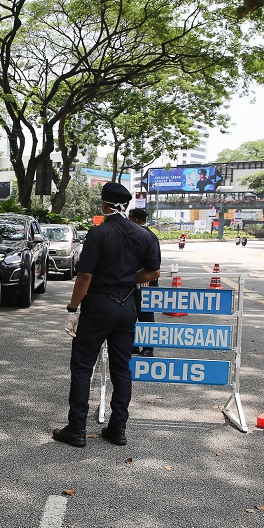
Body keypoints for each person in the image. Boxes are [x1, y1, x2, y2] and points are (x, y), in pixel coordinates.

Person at [54, 182, 161, 448]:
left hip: (99, 306)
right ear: (126, 206)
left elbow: (86, 275)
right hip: (127, 307)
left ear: (104, 204)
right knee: (121, 369)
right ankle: (118, 429)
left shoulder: (98, 233)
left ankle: (77, 429)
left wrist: (72, 309)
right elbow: (153, 273)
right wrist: (127, 278)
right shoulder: (145, 235)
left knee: (82, 367)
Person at [129, 208, 161, 358]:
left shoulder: (143, 236)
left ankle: (148, 348)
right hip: (137, 280)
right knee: (133, 314)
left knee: (146, 316)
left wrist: (145, 277)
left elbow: (153, 262)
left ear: (134, 220)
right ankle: (134, 345)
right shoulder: (149, 235)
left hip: (145, 281)